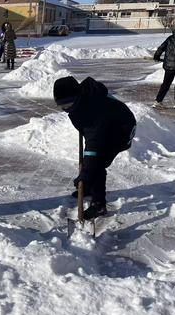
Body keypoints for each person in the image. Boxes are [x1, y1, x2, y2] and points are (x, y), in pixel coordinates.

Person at [53, 76, 137, 220]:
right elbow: (91, 136)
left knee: (97, 163)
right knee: (92, 162)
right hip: (105, 126)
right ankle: (89, 186)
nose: (66, 109)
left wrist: (86, 173)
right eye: (62, 107)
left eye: (68, 105)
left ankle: (99, 205)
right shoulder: (80, 102)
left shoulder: (93, 109)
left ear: (77, 97)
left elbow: (94, 145)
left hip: (121, 130)